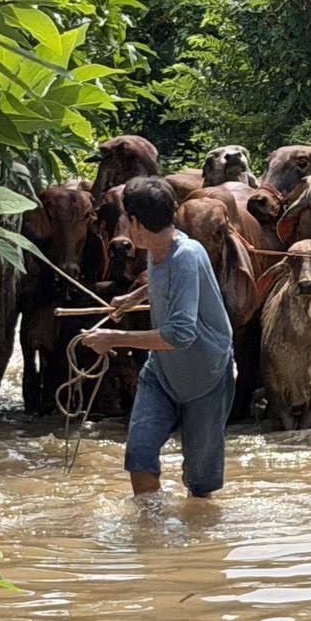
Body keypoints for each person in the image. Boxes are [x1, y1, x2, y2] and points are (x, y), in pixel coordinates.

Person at [81, 176, 235, 497]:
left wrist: (114, 338)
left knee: (200, 485)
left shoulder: (186, 255)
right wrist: (135, 297)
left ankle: (195, 527)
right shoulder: (157, 246)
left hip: (206, 377)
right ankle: (149, 525)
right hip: (162, 373)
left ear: (135, 222)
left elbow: (180, 334)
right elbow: (164, 279)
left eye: (127, 219)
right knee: (139, 456)